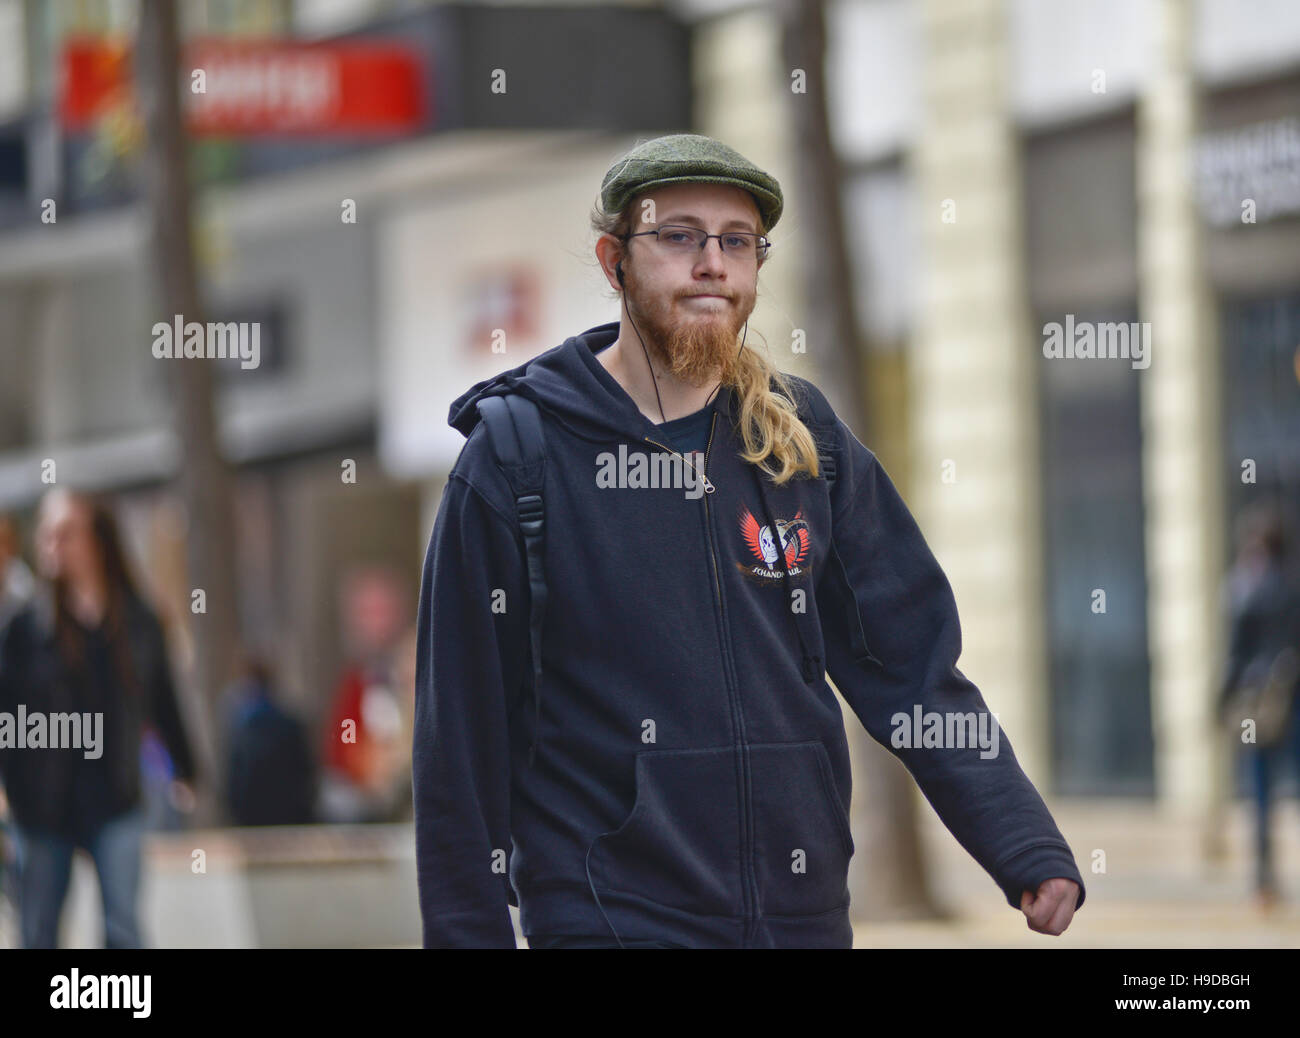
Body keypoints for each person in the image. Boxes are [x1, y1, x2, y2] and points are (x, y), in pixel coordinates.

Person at [413, 133, 1086, 949]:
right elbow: (461, 746)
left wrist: (1021, 842)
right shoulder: (518, 457)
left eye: (737, 241)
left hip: (803, 921)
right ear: (613, 260)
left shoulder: (802, 441)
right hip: (611, 921)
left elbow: (910, 664)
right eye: (679, 236)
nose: (713, 264)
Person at [0, 489, 197, 947]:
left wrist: (187, 769)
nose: (52, 546)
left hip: (117, 797)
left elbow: (163, 699)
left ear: (97, 540)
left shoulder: (140, 621)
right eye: (47, 536)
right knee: (39, 930)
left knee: (123, 928)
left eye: (65, 534)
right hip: (41, 806)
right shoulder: (23, 628)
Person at [1217, 501, 1300, 908]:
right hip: (1292, 699)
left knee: (1262, 792)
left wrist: (1220, 702)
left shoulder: (1247, 589)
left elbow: (1234, 654)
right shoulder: (1291, 585)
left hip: (1260, 706)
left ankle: (1263, 879)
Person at [224, 655, 317, 827]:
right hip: (289, 814)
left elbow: (234, 781)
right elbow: (306, 772)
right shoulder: (290, 725)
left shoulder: (242, 730)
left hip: (252, 816)